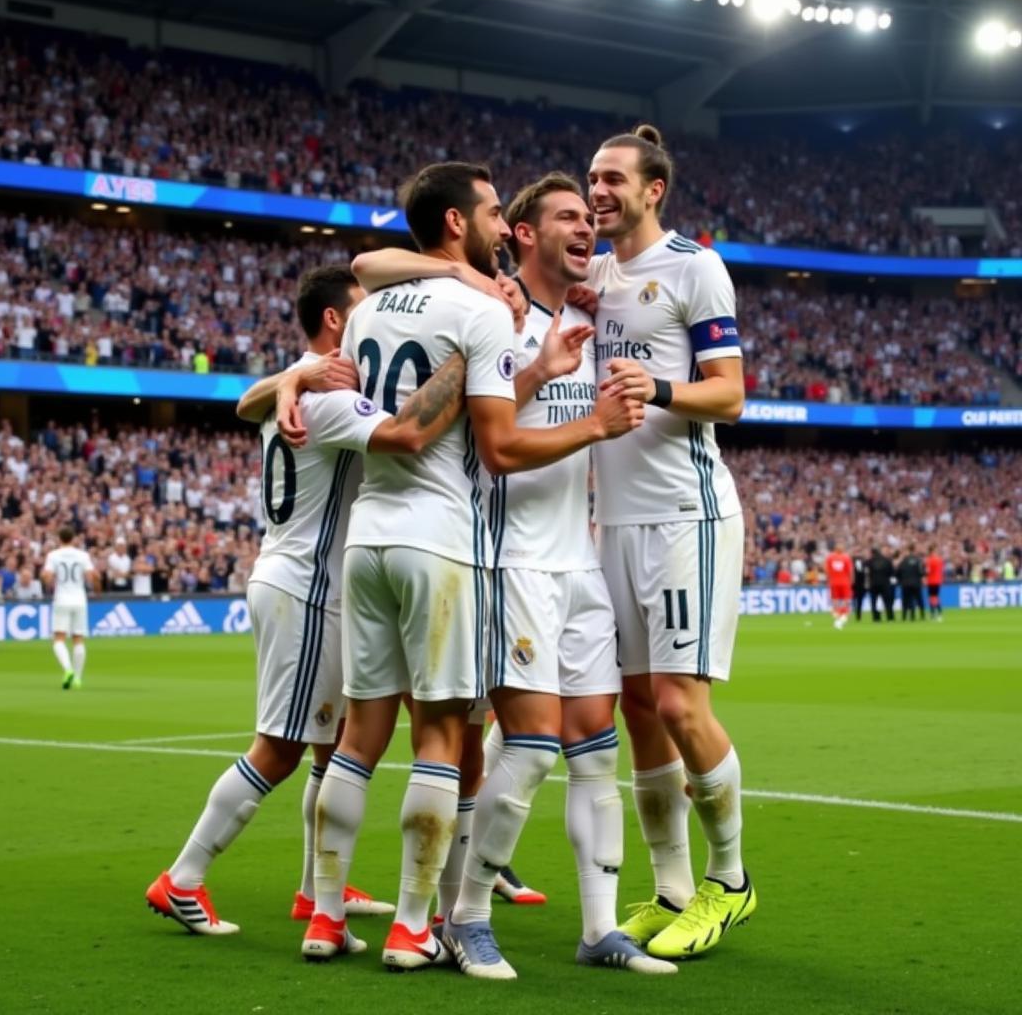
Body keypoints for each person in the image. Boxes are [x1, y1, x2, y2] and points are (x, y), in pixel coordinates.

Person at [305, 161, 642, 977]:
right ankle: (446, 917)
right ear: (495, 229)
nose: (585, 225)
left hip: (534, 556)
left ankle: (596, 928)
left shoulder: (391, 312)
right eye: (502, 213)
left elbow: (369, 275)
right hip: (479, 551)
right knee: (463, 742)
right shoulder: (490, 309)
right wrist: (592, 420)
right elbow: (483, 442)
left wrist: (303, 394)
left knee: (592, 746)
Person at [145, 265, 468, 937]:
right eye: (362, 311)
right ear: (332, 321)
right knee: (281, 748)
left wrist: (290, 377)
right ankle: (183, 877)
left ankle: (316, 889)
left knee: (331, 748)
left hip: (306, 578)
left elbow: (248, 400)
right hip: (306, 584)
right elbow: (410, 430)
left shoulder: (297, 386)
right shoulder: (331, 392)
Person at [585, 124, 755, 960]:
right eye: (592, 178)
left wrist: (652, 385)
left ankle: (730, 882)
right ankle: (671, 888)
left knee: (684, 705)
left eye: (614, 178)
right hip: (612, 521)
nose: (598, 190)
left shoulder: (694, 266)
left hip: (686, 514)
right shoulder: (594, 273)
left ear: (655, 189)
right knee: (639, 710)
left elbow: (729, 397)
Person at [42, 526, 96, 689]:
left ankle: (68, 670)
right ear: (73, 539)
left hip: (62, 599)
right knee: (78, 639)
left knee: (59, 639)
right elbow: (91, 576)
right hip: (79, 599)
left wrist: (48, 583)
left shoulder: (53, 555)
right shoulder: (83, 555)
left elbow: (47, 576)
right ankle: (78, 678)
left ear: (60, 539)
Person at [824, 541, 854, 629]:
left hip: (835, 582)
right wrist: (851, 581)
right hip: (844, 582)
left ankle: (838, 617)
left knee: (836, 601)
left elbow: (826, 570)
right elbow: (850, 571)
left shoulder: (830, 557)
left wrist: (829, 579)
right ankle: (842, 617)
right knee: (845, 600)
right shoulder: (846, 557)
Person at [897, 545, 924, 621]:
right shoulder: (918, 560)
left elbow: (898, 572)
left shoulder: (904, 561)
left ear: (908, 550)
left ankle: (904, 616)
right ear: (914, 550)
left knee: (906, 600)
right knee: (919, 600)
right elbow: (921, 572)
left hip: (905, 584)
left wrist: (901, 579)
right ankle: (922, 615)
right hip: (916, 583)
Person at [868, 547, 895, 622]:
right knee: (887, 601)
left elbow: (867, 573)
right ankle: (890, 617)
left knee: (874, 601)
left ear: (872, 553)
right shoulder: (887, 560)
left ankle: (876, 617)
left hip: (873, 584)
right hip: (885, 583)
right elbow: (892, 573)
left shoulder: (870, 561)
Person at [925, 545, 944, 621]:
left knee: (932, 598)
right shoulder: (940, 560)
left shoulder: (929, 560)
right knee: (936, 597)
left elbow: (928, 571)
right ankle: (939, 614)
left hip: (931, 581)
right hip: (938, 580)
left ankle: (933, 614)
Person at [853, 551, 869, 622]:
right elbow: (860, 573)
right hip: (858, 585)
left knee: (857, 601)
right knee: (859, 601)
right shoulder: (859, 562)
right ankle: (858, 615)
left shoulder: (859, 562)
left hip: (856, 585)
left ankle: (857, 615)